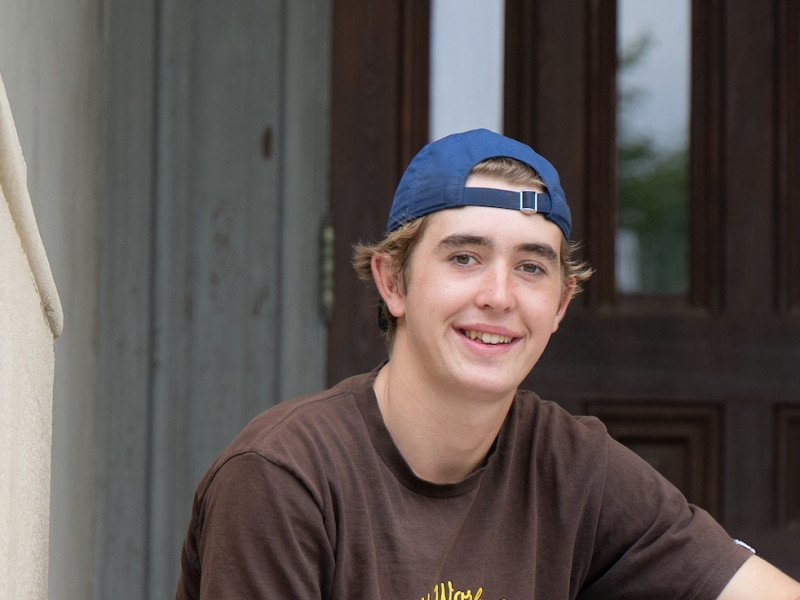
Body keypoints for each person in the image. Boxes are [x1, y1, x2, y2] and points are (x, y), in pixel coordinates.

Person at [175, 129, 800, 599]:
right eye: (465, 257)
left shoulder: (573, 465)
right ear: (392, 281)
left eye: (531, 267)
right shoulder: (284, 478)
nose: (498, 296)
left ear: (560, 304)